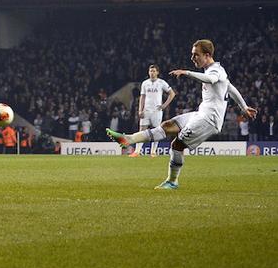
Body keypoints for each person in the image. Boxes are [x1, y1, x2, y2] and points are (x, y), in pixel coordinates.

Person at [107, 39, 256, 189]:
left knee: (176, 145)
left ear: (207, 55)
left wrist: (186, 72)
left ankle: (172, 181)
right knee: (167, 125)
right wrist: (244, 107)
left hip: (209, 120)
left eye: (195, 55)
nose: (192, 58)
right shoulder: (217, 70)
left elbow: (211, 79)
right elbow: (230, 88)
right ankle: (128, 139)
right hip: (201, 113)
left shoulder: (215, 71)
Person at [130, 64, 176, 158]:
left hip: (156, 111)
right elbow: (142, 97)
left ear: (157, 72)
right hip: (146, 111)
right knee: (142, 131)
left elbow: (172, 94)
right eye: (150, 71)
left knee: (156, 131)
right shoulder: (145, 83)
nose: (152, 73)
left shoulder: (161, 83)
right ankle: (137, 151)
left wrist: (164, 105)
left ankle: (153, 152)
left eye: (154, 71)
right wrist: (140, 110)